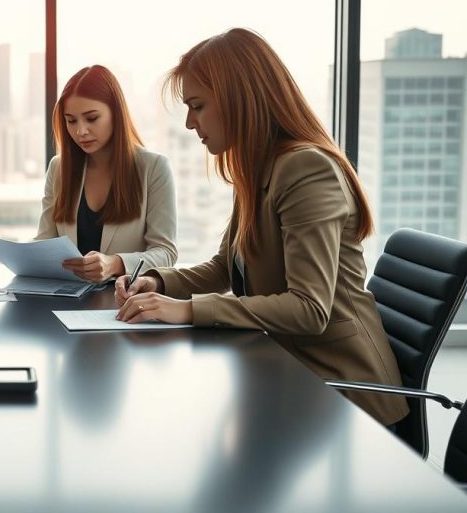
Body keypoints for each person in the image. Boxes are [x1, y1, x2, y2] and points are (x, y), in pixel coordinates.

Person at [115, 28, 408, 427]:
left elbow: (309, 309)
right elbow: (224, 268)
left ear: (239, 98)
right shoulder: (257, 168)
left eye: (197, 106)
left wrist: (185, 310)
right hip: (290, 373)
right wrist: (159, 284)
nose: (189, 123)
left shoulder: (306, 168)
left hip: (347, 399)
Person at [37, 64, 177, 283]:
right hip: (65, 299)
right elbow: (44, 244)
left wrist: (115, 263)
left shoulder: (154, 168)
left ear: (116, 114)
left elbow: (165, 253)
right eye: (71, 121)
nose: (80, 131)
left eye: (91, 118)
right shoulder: (59, 168)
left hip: (122, 302)